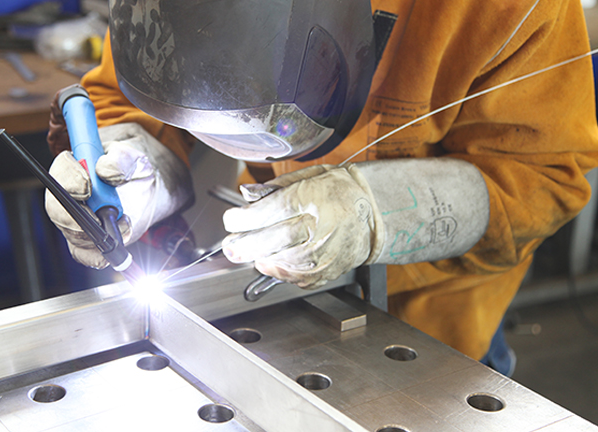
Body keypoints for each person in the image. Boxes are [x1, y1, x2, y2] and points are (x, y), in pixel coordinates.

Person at [45, 0, 598, 375]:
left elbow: (539, 178)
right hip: (282, 316)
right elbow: (127, 96)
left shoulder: (503, 9)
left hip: (435, 337)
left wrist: (376, 213)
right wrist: (138, 166)